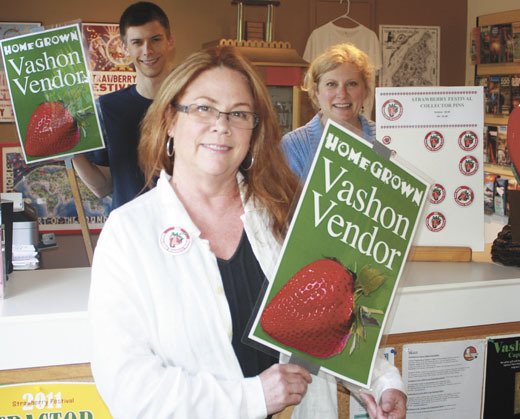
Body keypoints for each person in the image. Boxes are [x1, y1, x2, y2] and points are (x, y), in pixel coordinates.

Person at [89, 46, 406, 419]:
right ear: (170, 120)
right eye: (204, 108)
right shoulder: (128, 234)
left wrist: (383, 383)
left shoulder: (286, 210)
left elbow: (334, 315)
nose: (221, 125)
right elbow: (128, 388)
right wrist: (252, 398)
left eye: (239, 113)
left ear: (254, 131)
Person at [73, 1, 175, 210]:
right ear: (125, 47)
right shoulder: (107, 107)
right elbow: (103, 187)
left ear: (170, 41)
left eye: (155, 39)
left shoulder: (192, 104)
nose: (147, 50)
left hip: (184, 232)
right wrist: (72, 152)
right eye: (137, 42)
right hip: (128, 234)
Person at [282, 43, 375, 182]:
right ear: (316, 91)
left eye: (352, 84)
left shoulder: (387, 138)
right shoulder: (294, 145)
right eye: (331, 84)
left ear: (365, 90)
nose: (342, 94)